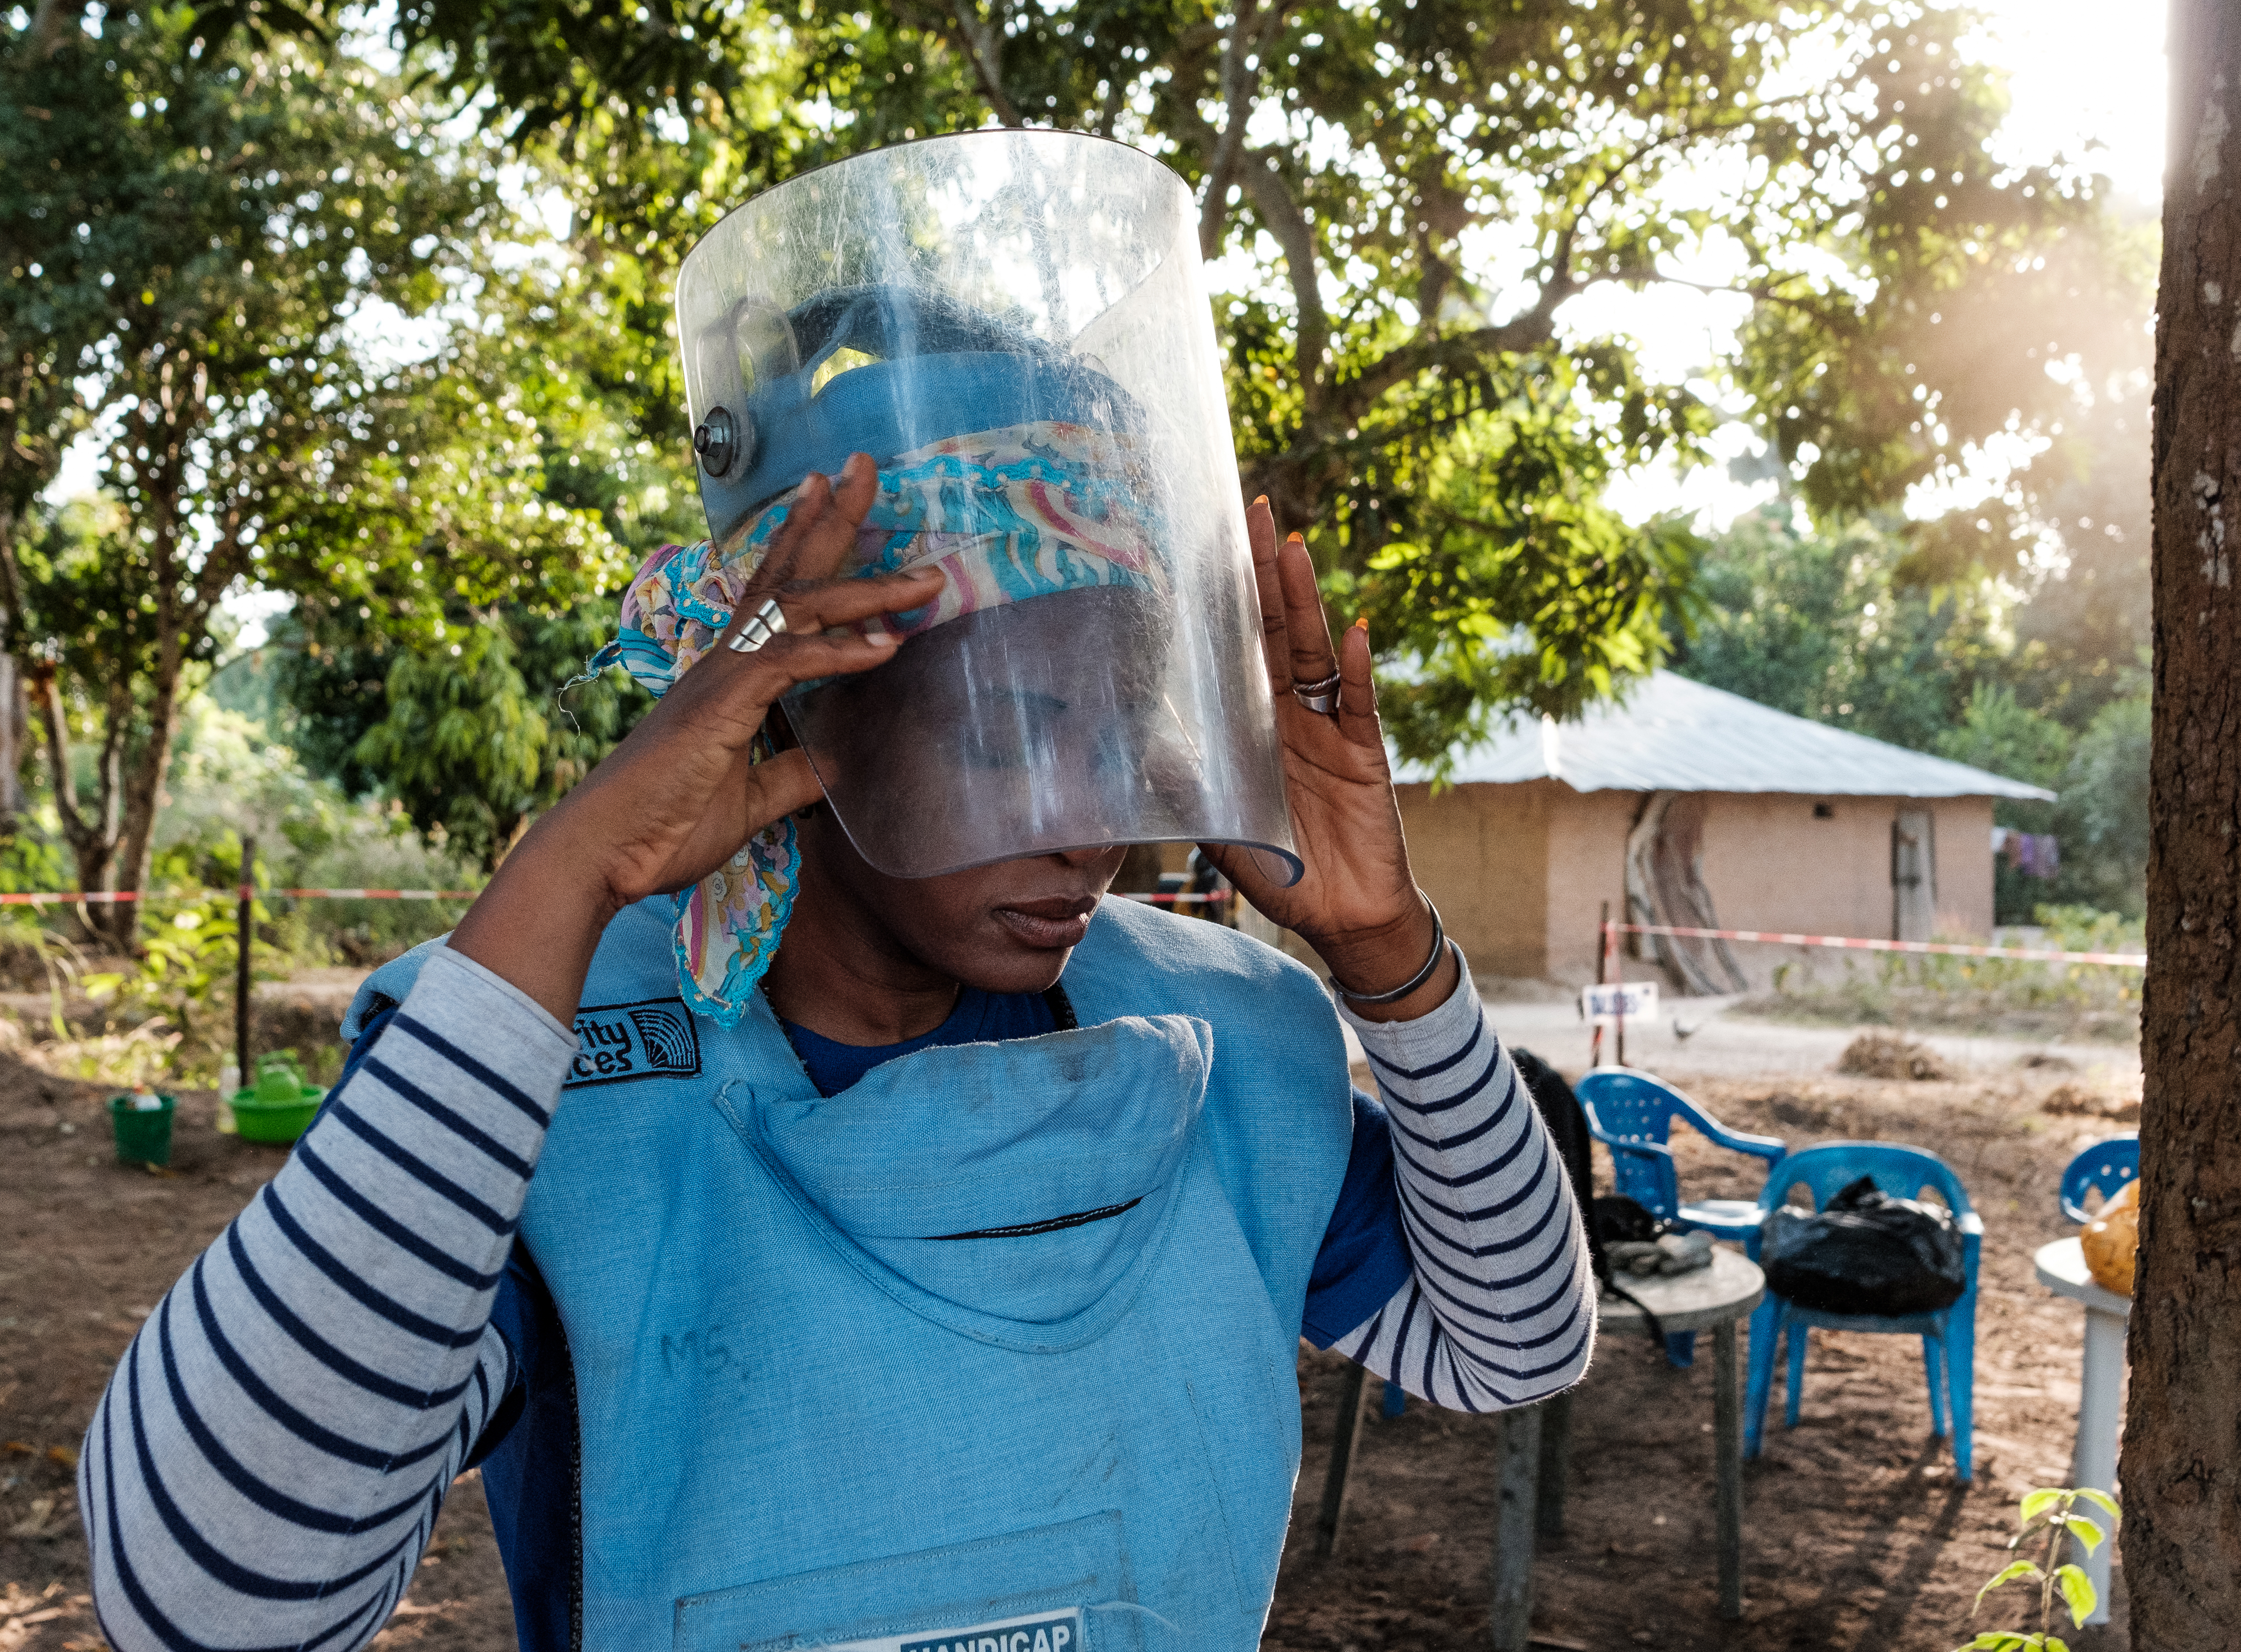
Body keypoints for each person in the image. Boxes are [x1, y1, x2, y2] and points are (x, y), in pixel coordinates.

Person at [80, 132, 1592, 1652]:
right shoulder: (562, 1086)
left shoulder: (1221, 1026)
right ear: (800, 711)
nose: (1083, 825)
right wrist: (574, 869)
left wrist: (1393, 962)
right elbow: (213, 1603)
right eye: (1003, 724)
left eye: (1112, 717)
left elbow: (1512, 1348)